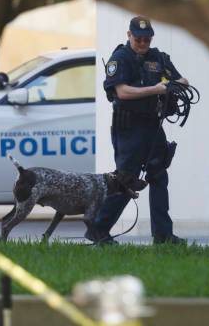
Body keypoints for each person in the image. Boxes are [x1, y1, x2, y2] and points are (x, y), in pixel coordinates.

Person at [89, 15, 188, 245]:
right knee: (125, 179)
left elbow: (182, 80)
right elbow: (122, 92)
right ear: (129, 35)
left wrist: (171, 86)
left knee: (158, 176)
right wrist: (156, 89)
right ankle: (99, 230)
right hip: (128, 127)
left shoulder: (158, 58)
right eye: (138, 39)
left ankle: (163, 235)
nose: (143, 43)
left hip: (154, 124)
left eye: (147, 39)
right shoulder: (120, 58)